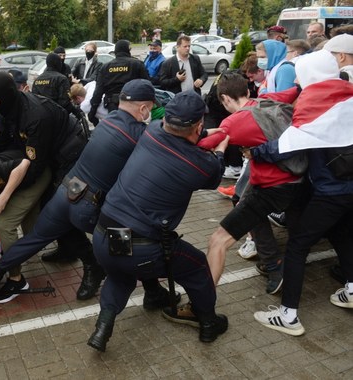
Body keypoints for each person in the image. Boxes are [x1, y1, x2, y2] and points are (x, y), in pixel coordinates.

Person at [0, 79, 180, 306]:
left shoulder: (106, 121)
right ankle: (144, 290)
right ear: (144, 108)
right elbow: (172, 146)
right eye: (150, 109)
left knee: (40, 234)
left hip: (68, 188)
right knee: (125, 243)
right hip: (93, 203)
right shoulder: (141, 132)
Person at [87, 91, 230, 352]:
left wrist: (204, 135)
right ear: (198, 126)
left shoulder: (151, 131)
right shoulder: (200, 165)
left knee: (120, 276)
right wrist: (219, 151)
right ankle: (208, 322)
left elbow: (181, 143)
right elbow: (214, 176)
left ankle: (103, 326)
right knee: (197, 267)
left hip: (104, 234)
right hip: (143, 247)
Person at [253, 49, 353, 336]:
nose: (297, 80)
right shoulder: (347, 92)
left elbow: (284, 146)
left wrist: (255, 152)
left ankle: (288, 316)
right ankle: (351, 289)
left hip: (331, 192)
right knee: (342, 235)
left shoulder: (316, 102)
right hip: (349, 189)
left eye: (300, 74)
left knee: (297, 246)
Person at [0, 71, 89, 303]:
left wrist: (5, 193)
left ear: (7, 96)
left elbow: (34, 168)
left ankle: (92, 267)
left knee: (63, 207)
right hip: (42, 156)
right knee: (46, 209)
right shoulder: (6, 109)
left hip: (68, 152)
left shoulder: (35, 115)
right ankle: (66, 250)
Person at [198, 72, 305, 293]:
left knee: (246, 214)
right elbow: (294, 91)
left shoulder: (231, 123)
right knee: (244, 199)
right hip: (302, 178)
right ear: (248, 91)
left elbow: (201, 145)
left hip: (271, 187)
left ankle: (274, 266)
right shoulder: (271, 100)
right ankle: (292, 263)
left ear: (226, 99)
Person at [88, 39, 149, 124]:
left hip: (113, 106)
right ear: (128, 50)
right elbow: (147, 86)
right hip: (133, 105)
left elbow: (98, 91)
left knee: (117, 131)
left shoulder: (105, 67)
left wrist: (92, 111)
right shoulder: (137, 64)